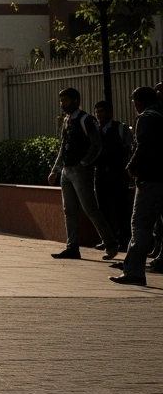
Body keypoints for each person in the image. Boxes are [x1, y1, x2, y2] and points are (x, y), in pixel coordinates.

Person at [47, 87, 119, 259]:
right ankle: (72, 247)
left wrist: (84, 163)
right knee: (69, 210)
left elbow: (97, 145)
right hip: (66, 171)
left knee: (90, 209)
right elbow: (62, 147)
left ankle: (110, 244)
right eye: (61, 101)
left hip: (81, 172)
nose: (62, 104)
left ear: (76, 101)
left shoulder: (86, 120)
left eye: (66, 101)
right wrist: (55, 170)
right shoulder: (65, 120)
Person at [111, 86, 163, 285]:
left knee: (141, 225)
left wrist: (131, 166)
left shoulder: (146, 118)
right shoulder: (160, 116)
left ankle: (134, 272)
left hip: (151, 180)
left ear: (138, 102)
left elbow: (143, 146)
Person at [92, 100, 133, 251]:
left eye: (102, 111)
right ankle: (108, 240)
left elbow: (130, 148)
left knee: (121, 208)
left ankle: (124, 241)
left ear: (110, 113)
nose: (99, 115)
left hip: (118, 174)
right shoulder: (95, 130)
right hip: (101, 174)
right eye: (97, 112)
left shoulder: (121, 128)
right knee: (102, 209)